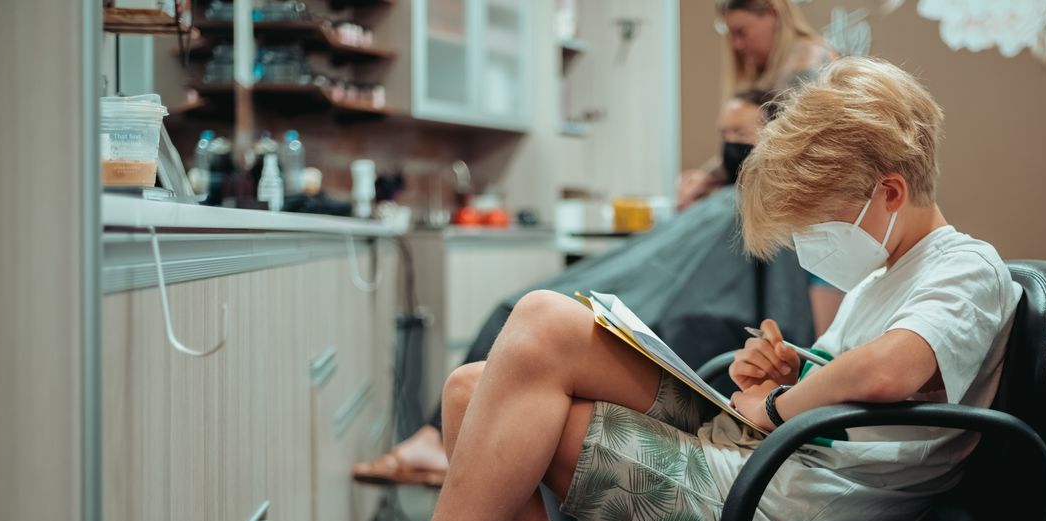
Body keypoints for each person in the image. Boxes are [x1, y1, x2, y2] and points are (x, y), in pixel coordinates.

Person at [235, 57, 1022, 521]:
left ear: (890, 190)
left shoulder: (965, 267)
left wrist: (780, 409)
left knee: (538, 326)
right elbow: (868, 384)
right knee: (473, 392)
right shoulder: (887, 275)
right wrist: (784, 375)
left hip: (784, 513)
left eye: (818, 226)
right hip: (762, 470)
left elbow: (889, 375)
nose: (811, 247)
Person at [352, 89, 827, 488]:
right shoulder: (719, 200)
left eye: (740, 137)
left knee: (525, 320)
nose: (729, 146)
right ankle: (439, 443)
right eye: (724, 136)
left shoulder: (769, 215)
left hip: (692, 328)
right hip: (674, 290)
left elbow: (780, 312)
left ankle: (442, 452)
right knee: (512, 316)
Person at [676, 0, 837, 211]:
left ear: (772, 12)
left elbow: (791, 154)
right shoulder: (775, 69)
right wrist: (706, 177)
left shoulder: (809, 62)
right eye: (731, 35)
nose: (736, 45)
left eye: (742, 32)